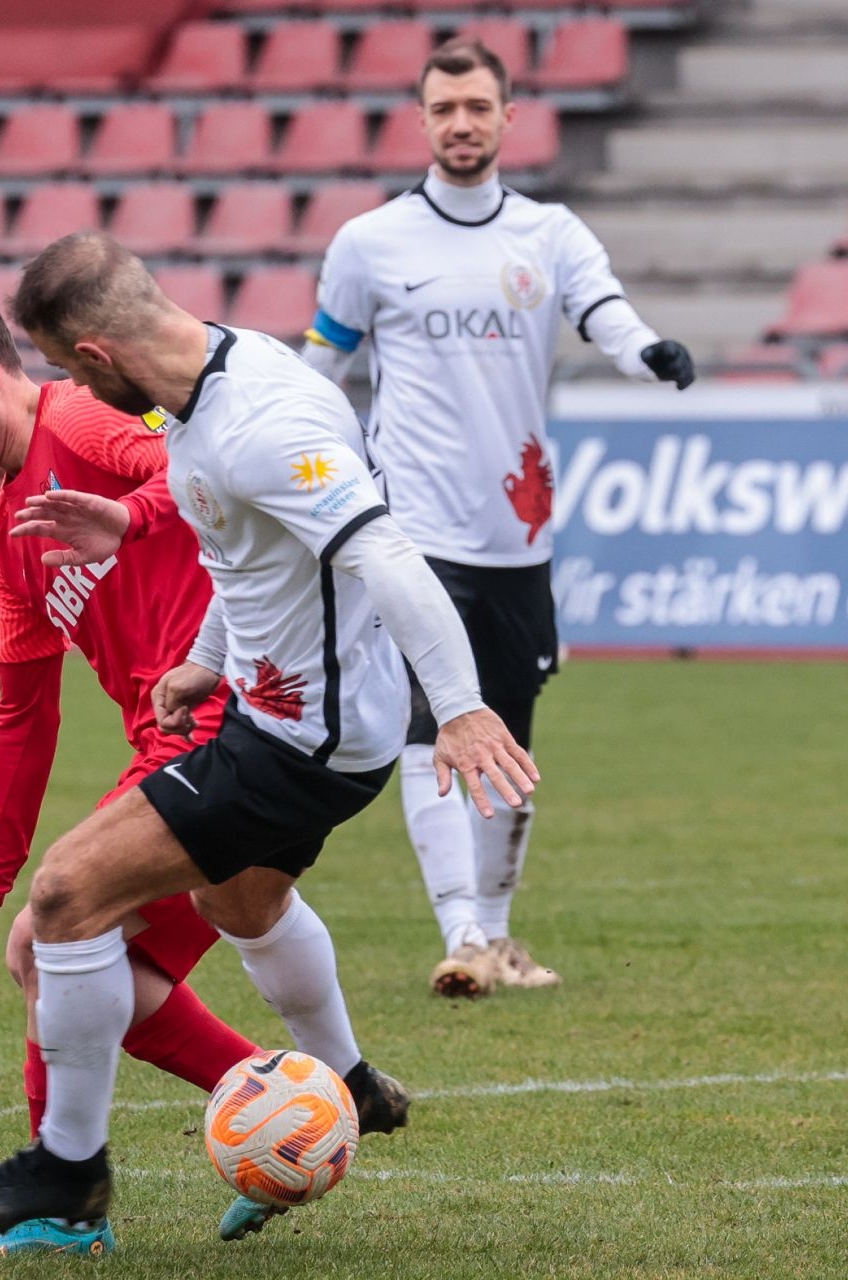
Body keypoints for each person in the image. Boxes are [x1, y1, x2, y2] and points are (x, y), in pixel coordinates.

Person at [0, 232, 537, 1241]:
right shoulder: (211, 386)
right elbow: (245, 552)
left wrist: (462, 704)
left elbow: (383, 552)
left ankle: (66, 1175)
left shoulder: (264, 421)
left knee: (66, 896)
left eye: (71, 369)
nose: (75, 392)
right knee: (239, 899)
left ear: (94, 356)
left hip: (303, 739)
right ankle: (348, 1080)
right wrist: (208, 657)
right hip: (278, 712)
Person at [0, 281, 260, 1258]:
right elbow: (24, 717)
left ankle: (65, 1203)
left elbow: (205, 470)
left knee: (55, 942)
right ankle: (294, 1104)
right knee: (85, 968)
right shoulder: (9, 538)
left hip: (231, 717)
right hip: (184, 741)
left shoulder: (79, 416)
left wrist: (128, 517)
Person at [301, 38, 694, 998]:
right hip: (413, 527)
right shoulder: (370, 242)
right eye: (445, 108)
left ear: (509, 116)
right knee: (430, 723)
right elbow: (322, 366)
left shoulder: (550, 235)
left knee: (509, 733)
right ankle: (464, 931)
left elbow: (604, 310)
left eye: (478, 106)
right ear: (422, 120)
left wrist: (648, 352)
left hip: (518, 532)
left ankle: (498, 935)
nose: (462, 123)